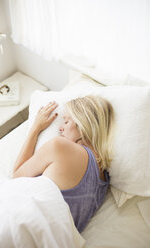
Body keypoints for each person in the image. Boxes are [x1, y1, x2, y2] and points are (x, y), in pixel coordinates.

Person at [12, 95, 115, 233]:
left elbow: (16, 178)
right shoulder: (104, 180)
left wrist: (35, 129)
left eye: (66, 122)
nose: (60, 128)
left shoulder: (60, 146)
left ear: (84, 123)